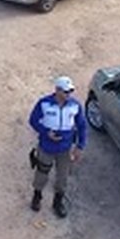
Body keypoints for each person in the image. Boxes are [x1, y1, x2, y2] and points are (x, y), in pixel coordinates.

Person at [28, 76, 87, 218]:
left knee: (63, 177)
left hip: (65, 149)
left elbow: (82, 126)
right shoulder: (44, 104)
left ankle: (57, 202)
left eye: (70, 92)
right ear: (57, 90)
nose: (68, 95)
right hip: (46, 147)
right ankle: (37, 196)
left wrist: (80, 146)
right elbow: (33, 120)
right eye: (65, 92)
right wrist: (46, 132)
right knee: (41, 173)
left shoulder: (75, 106)